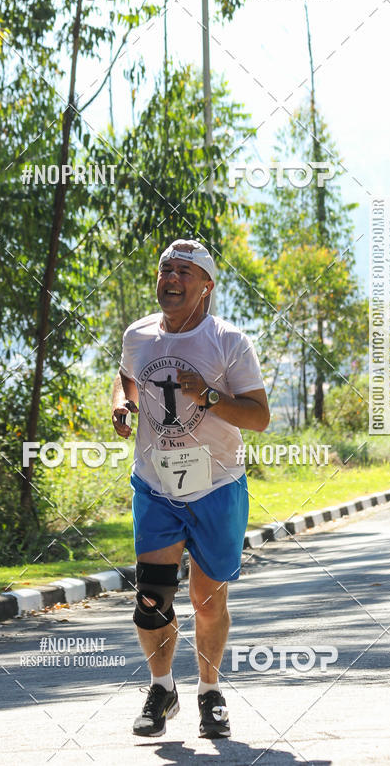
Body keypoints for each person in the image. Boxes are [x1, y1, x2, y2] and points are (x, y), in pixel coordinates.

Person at [112, 238, 269, 740]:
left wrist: (208, 396)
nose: (172, 278)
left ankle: (210, 692)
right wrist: (121, 403)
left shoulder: (229, 342)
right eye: (166, 269)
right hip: (156, 484)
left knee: (207, 600)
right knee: (151, 598)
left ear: (206, 286)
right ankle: (161, 689)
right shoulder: (138, 335)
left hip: (216, 485)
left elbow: (259, 417)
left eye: (184, 271)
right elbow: (126, 377)